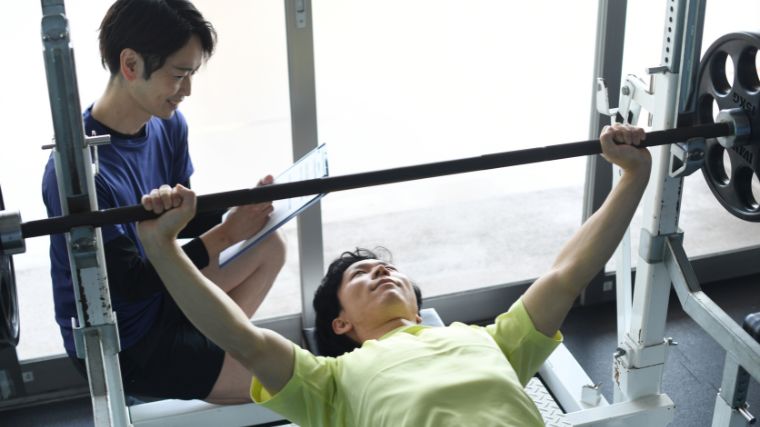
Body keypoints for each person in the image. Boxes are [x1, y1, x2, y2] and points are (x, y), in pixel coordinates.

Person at [136, 123, 650, 425]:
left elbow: (565, 275)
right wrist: (164, 248)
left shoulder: (490, 340)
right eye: (361, 274)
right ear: (340, 324)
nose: (382, 270)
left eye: (389, 269)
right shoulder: (329, 382)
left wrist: (632, 176)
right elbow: (240, 338)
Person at [42, 0, 285, 403]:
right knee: (278, 380)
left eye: (190, 75)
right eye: (178, 75)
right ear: (131, 64)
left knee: (269, 247)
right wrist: (226, 233)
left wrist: (241, 211)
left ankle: (219, 347)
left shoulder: (167, 126)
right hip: (130, 340)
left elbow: (181, 224)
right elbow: (131, 283)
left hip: (164, 293)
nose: (187, 90)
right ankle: (215, 358)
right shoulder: (79, 174)